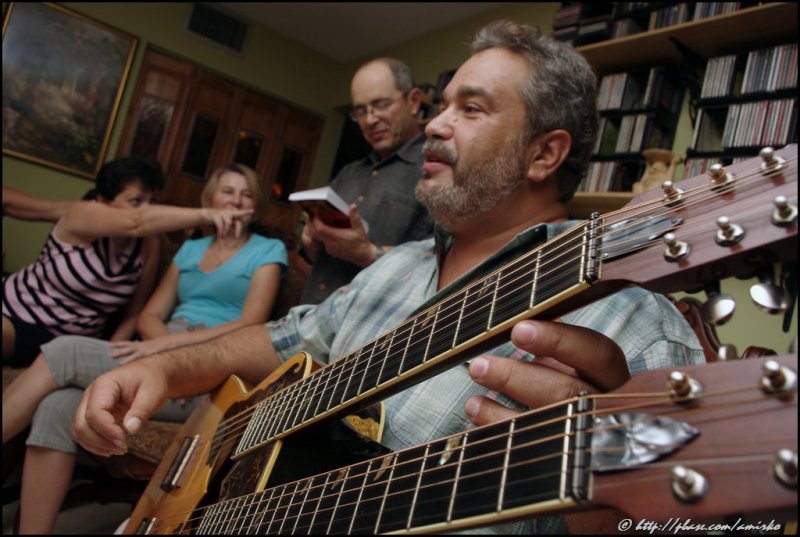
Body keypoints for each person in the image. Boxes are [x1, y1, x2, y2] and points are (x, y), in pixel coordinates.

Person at [73, 21, 705, 534]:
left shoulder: (630, 324)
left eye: (472, 108)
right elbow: (282, 341)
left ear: (545, 153)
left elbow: (687, 521)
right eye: (442, 104)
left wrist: (606, 496)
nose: (433, 123)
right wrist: (161, 368)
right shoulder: (396, 266)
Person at [2, 163, 288, 534]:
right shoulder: (190, 249)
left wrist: (179, 358)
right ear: (211, 199)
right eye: (228, 191)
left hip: (212, 360)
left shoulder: (268, 249)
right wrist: (161, 352)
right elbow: (150, 314)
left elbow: (251, 324)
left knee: (64, 352)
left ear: (256, 204)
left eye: (246, 193)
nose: (236, 200)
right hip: (160, 349)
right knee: (56, 407)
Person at [2, 157, 254, 367]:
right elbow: (138, 221)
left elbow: (134, 313)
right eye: (136, 202)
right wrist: (208, 214)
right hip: (15, 316)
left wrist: (109, 353)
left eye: (152, 201)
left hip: (71, 342)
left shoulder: (148, 244)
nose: (147, 209)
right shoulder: (81, 215)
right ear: (102, 202)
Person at [298, 57, 434, 305]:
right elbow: (311, 257)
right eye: (360, 111)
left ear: (413, 101)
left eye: (381, 105)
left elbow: (439, 261)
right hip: (307, 317)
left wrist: (368, 254)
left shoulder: (435, 169)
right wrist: (311, 240)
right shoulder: (349, 172)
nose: (370, 120)